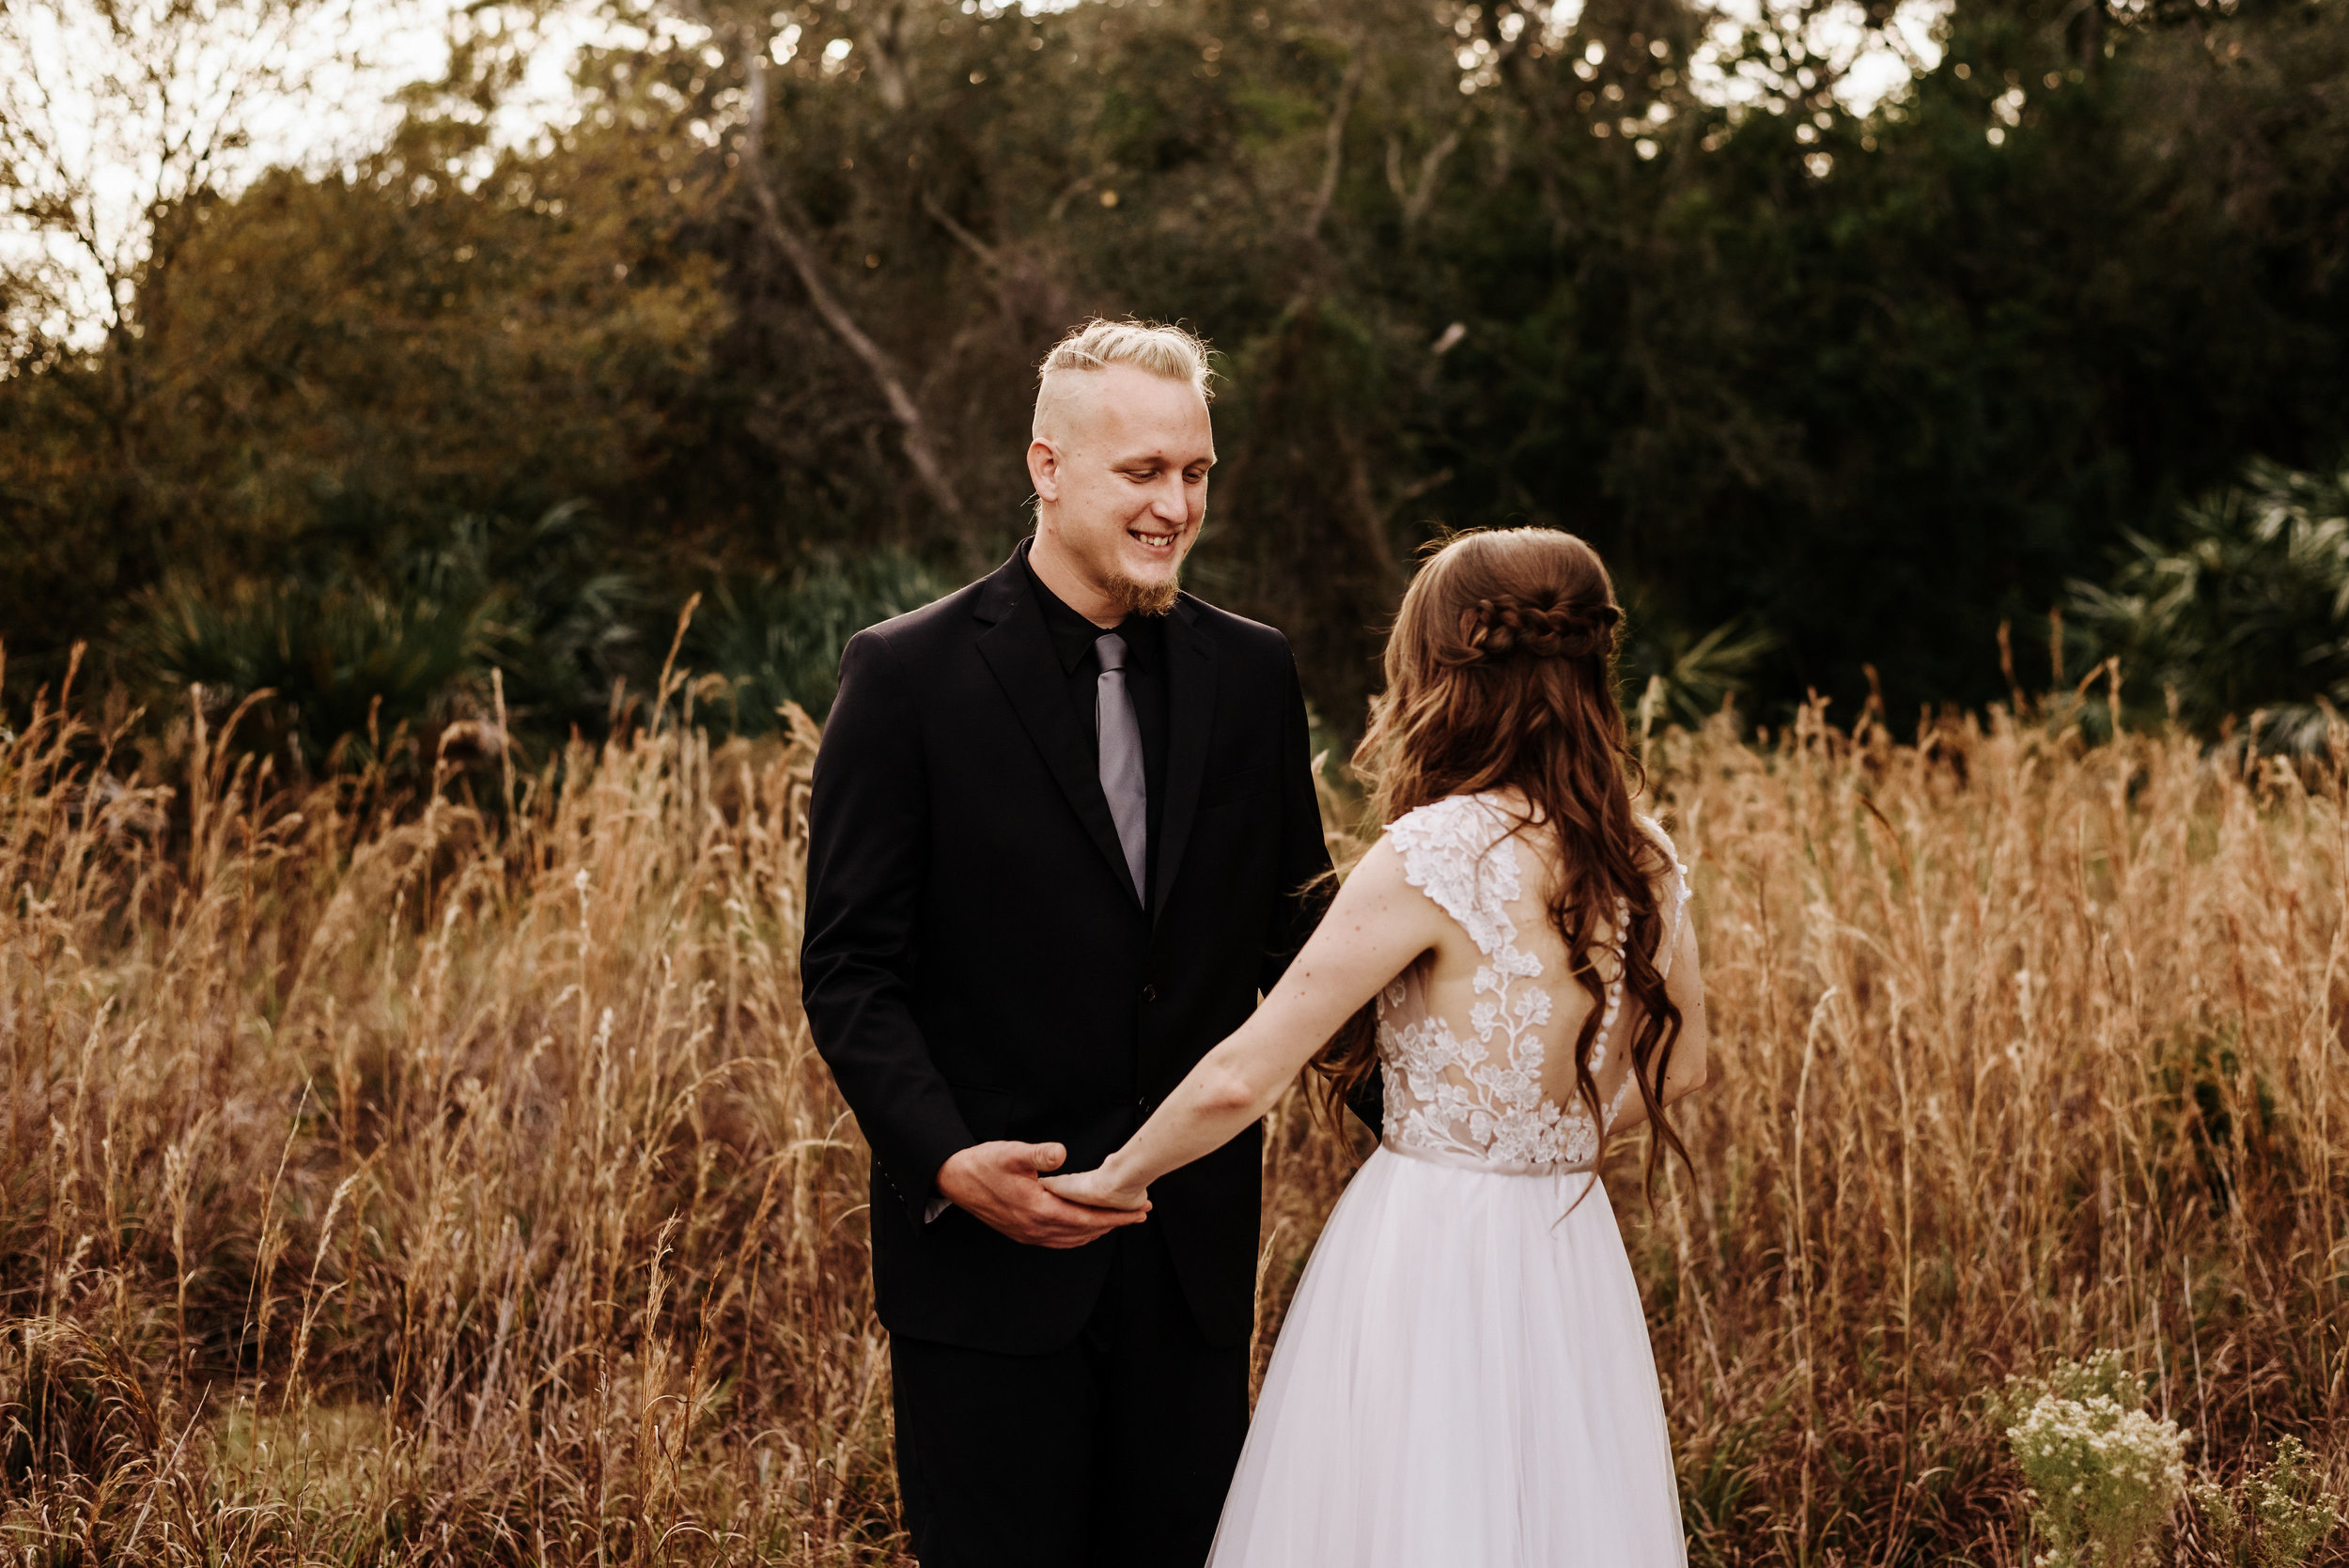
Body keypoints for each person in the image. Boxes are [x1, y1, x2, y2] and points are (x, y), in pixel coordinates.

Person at [1045, 526, 1712, 1566]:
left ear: (1439, 672)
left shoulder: (1435, 853)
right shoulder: (1643, 848)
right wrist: (1538, 1140)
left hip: (1429, 1246)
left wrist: (1112, 1181)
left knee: (1406, 1510)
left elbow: (1241, 1073)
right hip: (1566, 1244)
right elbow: (1684, 1064)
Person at [800, 318, 1355, 1567]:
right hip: (989, 1269)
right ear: (1046, 467)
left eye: (1195, 473)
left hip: (1189, 1261)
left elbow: (1302, 943)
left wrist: (1447, 1131)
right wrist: (943, 1161)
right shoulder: (905, 675)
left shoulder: (1254, 673)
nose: (1174, 506)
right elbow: (850, 967)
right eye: (1141, 473)